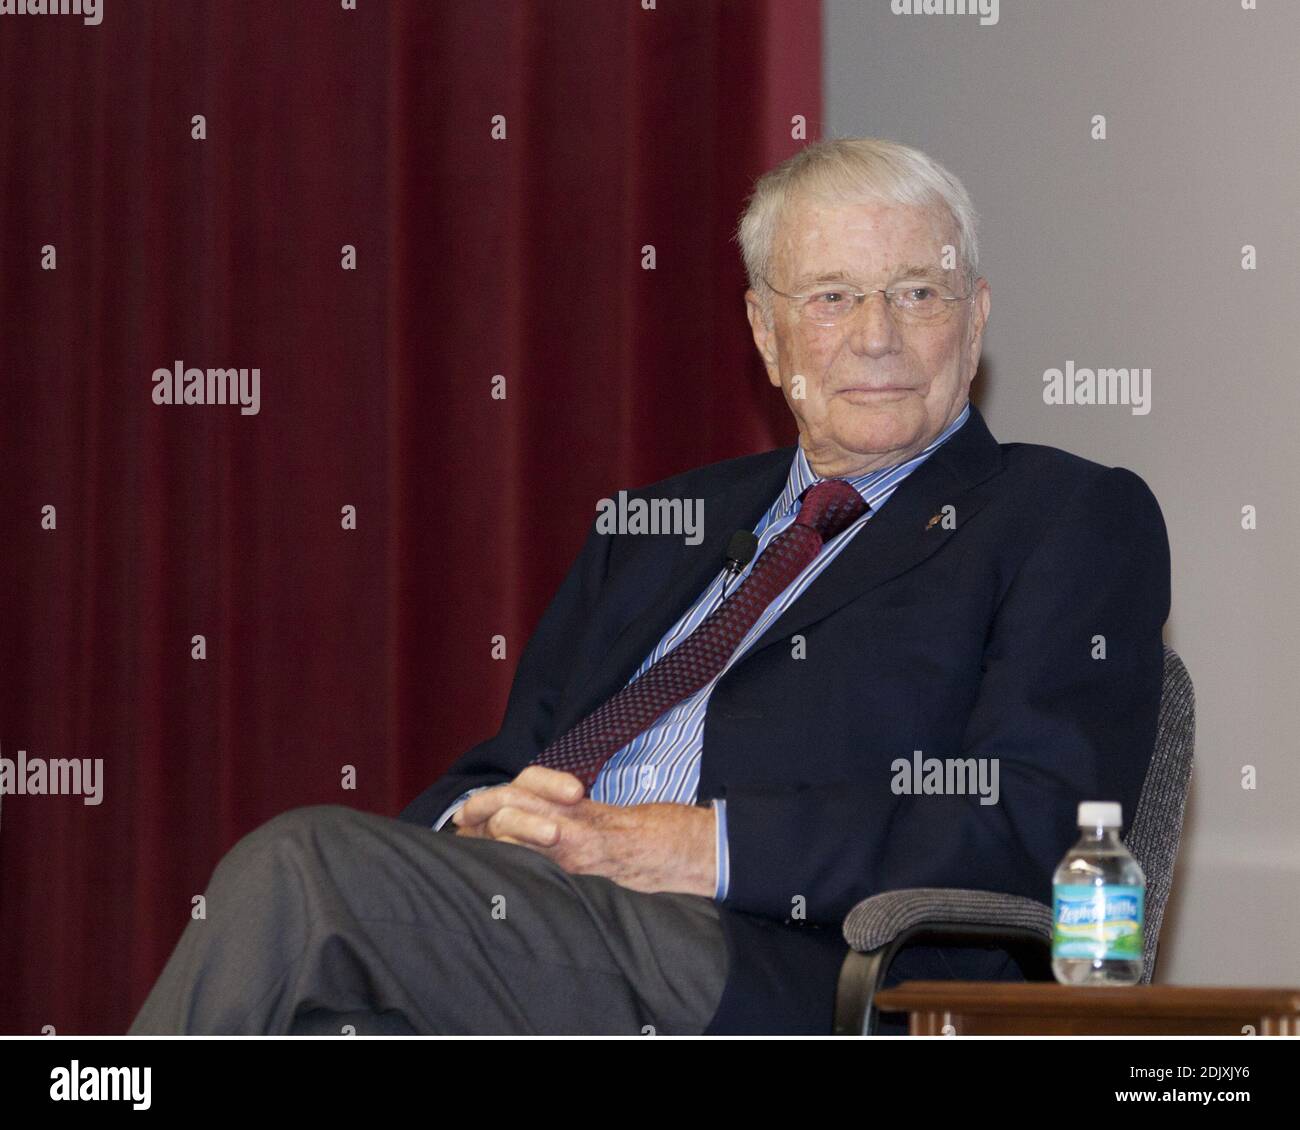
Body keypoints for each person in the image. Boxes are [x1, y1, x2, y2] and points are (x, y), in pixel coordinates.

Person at [128, 136, 1170, 1036]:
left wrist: (703, 843)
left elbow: (1038, 823)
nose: (875, 334)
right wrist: (475, 829)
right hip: (542, 922)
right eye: (831, 296)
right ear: (765, 332)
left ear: (974, 317)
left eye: (916, 291)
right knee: (320, 1014)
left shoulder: (1061, 516)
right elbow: (505, 761)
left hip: (791, 966)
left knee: (298, 870)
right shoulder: (657, 525)